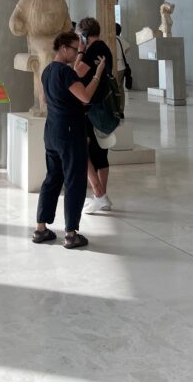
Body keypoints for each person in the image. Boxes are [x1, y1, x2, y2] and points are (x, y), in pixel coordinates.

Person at [34, 30, 105, 250]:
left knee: (52, 178)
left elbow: (44, 99)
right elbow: (85, 96)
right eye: (75, 49)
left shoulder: (47, 71)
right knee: (74, 180)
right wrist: (97, 75)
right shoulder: (66, 72)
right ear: (63, 48)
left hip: (52, 131)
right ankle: (71, 233)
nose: (77, 54)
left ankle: (41, 228)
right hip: (70, 131)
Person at [77, 16, 115, 214]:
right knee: (101, 152)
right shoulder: (105, 48)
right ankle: (101, 197)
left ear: (84, 34)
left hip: (91, 108)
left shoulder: (92, 50)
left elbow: (76, 72)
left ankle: (99, 193)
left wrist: (81, 51)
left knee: (82, 150)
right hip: (104, 108)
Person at [114, 22, 130, 116]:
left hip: (115, 66)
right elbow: (128, 48)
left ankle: (115, 109)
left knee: (114, 88)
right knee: (120, 88)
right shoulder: (120, 39)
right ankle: (121, 110)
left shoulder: (113, 39)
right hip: (122, 66)